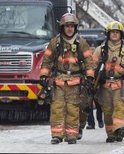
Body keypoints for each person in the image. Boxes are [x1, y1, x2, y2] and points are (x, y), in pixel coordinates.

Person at [39, 13, 95, 144]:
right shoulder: (55, 42)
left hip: (75, 82)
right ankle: (57, 135)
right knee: (57, 108)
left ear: (75, 28)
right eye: (67, 26)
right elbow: (46, 61)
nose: (69, 29)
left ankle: (71, 136)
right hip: (58, 81)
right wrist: (43, 75)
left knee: (73, 109)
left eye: (72, 26)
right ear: (62, 27)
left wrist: (90, 77)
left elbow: (89, 62)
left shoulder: (81, 43)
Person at [92, 21, 124, 143]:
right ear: (108, 34)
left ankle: (120, 129)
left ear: (121, 35)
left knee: (119, 109)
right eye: (112, 32)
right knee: (108, 112)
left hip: (121, 87)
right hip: (104, 87)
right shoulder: (100, 50)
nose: (114, 34)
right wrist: (90, 81)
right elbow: (92, 67)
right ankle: (111, 134)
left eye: (117, 32)